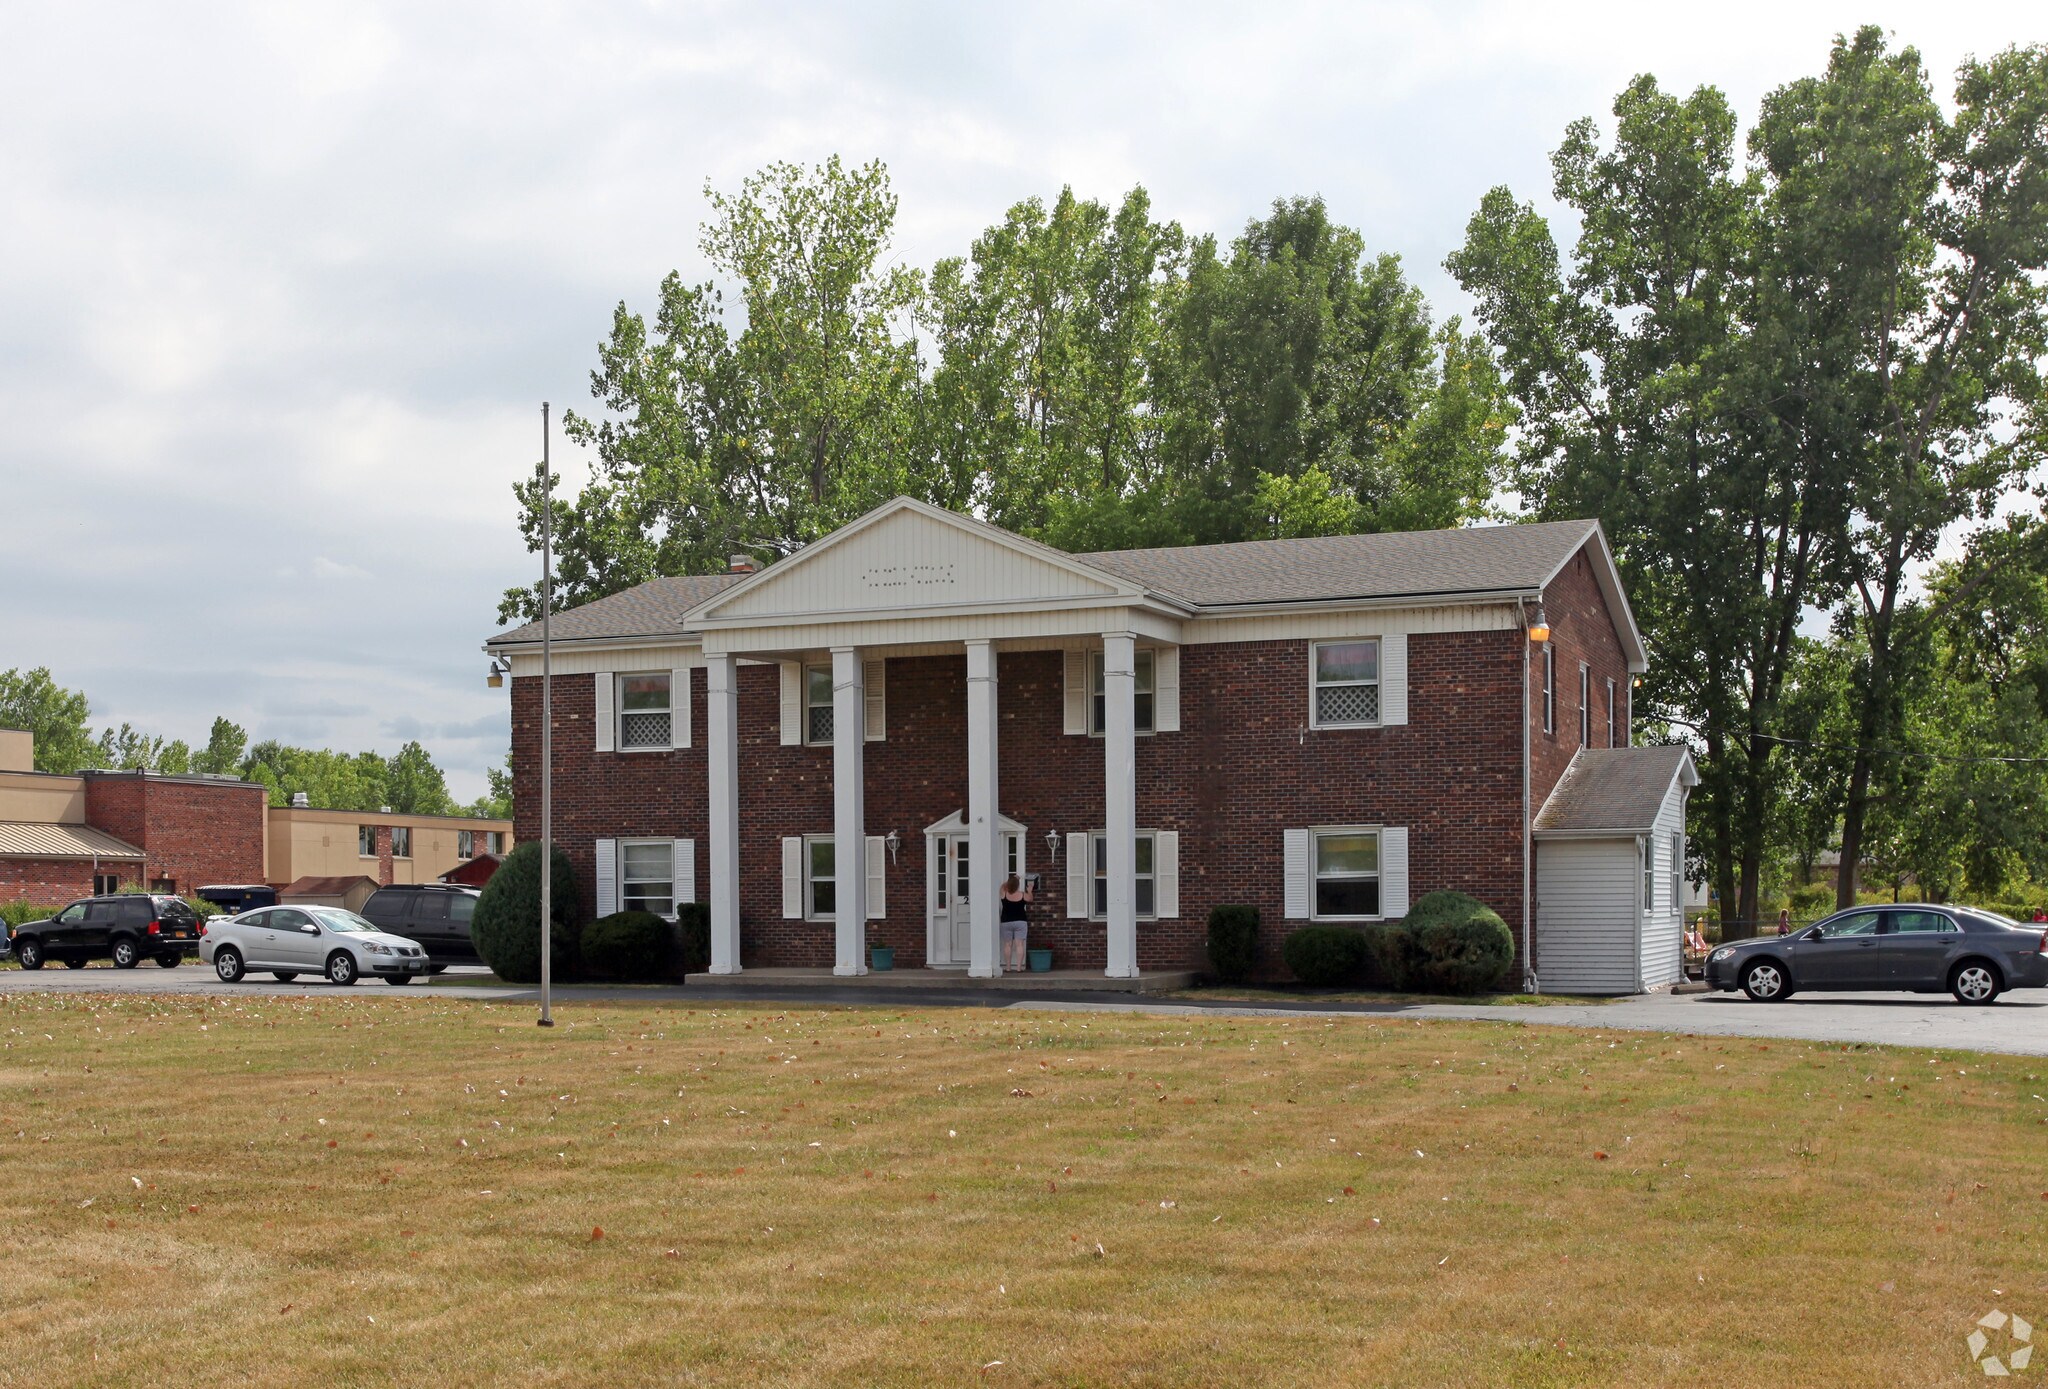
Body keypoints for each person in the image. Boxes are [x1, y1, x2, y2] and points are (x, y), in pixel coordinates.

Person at [999, 873, 1034, 972]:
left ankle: (1008, 968)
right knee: (1019, 945)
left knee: (1007, 945)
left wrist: (1012, 880)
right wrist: (1030, 891)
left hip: (1006, 922)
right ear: (1018, 885)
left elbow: (1002, 886)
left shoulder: (1004, 893)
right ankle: (1018, 968)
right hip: (1020, 921)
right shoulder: (1023, 895)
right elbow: (1031, 899)